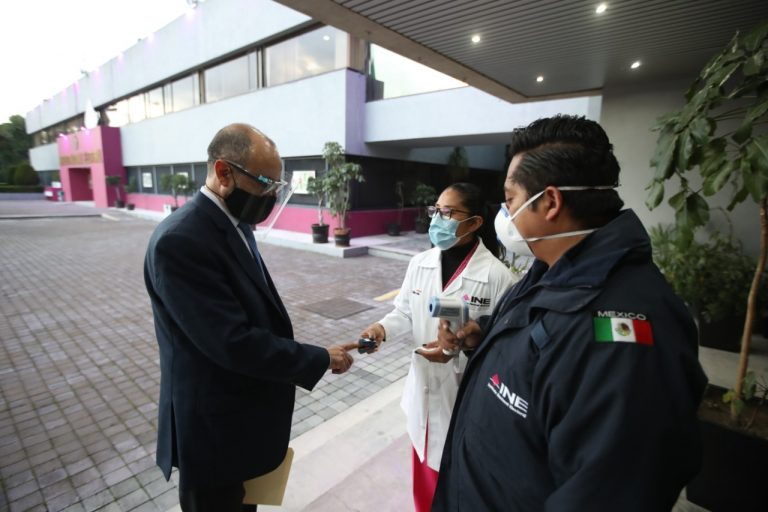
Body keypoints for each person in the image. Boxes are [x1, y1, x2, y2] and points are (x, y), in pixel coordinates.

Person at [433, 115, 708, 511]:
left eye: (510, 200)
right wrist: (488, 337)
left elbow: (612, 492)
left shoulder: (626, 343)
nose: (504, 214)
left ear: (549, 202)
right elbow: (543, 341)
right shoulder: (552, 269)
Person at [144, 123, 354, 512]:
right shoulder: (181, 240)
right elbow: (232, 342)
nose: (271, 197)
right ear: (224, 173)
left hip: (240, 424)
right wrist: (317, 358)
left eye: (278, 187)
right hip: (212, 434)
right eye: (264, 184)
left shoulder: (233, 223)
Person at [360, 183, 517, 512]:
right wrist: (381, 329)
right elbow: (403, 310)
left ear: (474, 223)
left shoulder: (498, 277)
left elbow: (503, 344)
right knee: (425, 488)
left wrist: (460, 346)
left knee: (458, 490)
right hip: (423, 394)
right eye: (436, 211)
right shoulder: (420, 263)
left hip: (464, 399)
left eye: (448, 213)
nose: (438, 220)